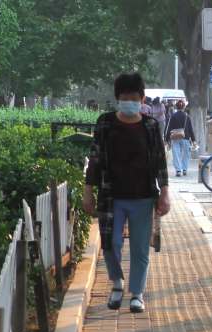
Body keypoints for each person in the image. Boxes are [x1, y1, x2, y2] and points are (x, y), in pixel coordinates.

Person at [82, 73, 170, 313]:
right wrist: (88, 191)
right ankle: (117, 283)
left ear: (142, 99)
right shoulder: (105, 123)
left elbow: (160, 161)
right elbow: (95, 159)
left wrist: (165, 193)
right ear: (117, 99)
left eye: (134, 98)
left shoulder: (151, 126)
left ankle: (137, 294)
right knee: (111, 243)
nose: (129, 102)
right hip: (112, 197)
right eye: (124, 97)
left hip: (143, 196)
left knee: (141, 247)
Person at [165, 100, 195, 177]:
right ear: (184, 107)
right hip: (186, 137)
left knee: (176, 154)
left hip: (175, 137)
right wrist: (193, 140)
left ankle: (178, 170)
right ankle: (184, 169)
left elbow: (169, 128)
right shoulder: (187, 116)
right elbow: (190, 129)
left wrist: (167, 139)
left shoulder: (173, 116)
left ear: (176, 107)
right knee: (186, 154)